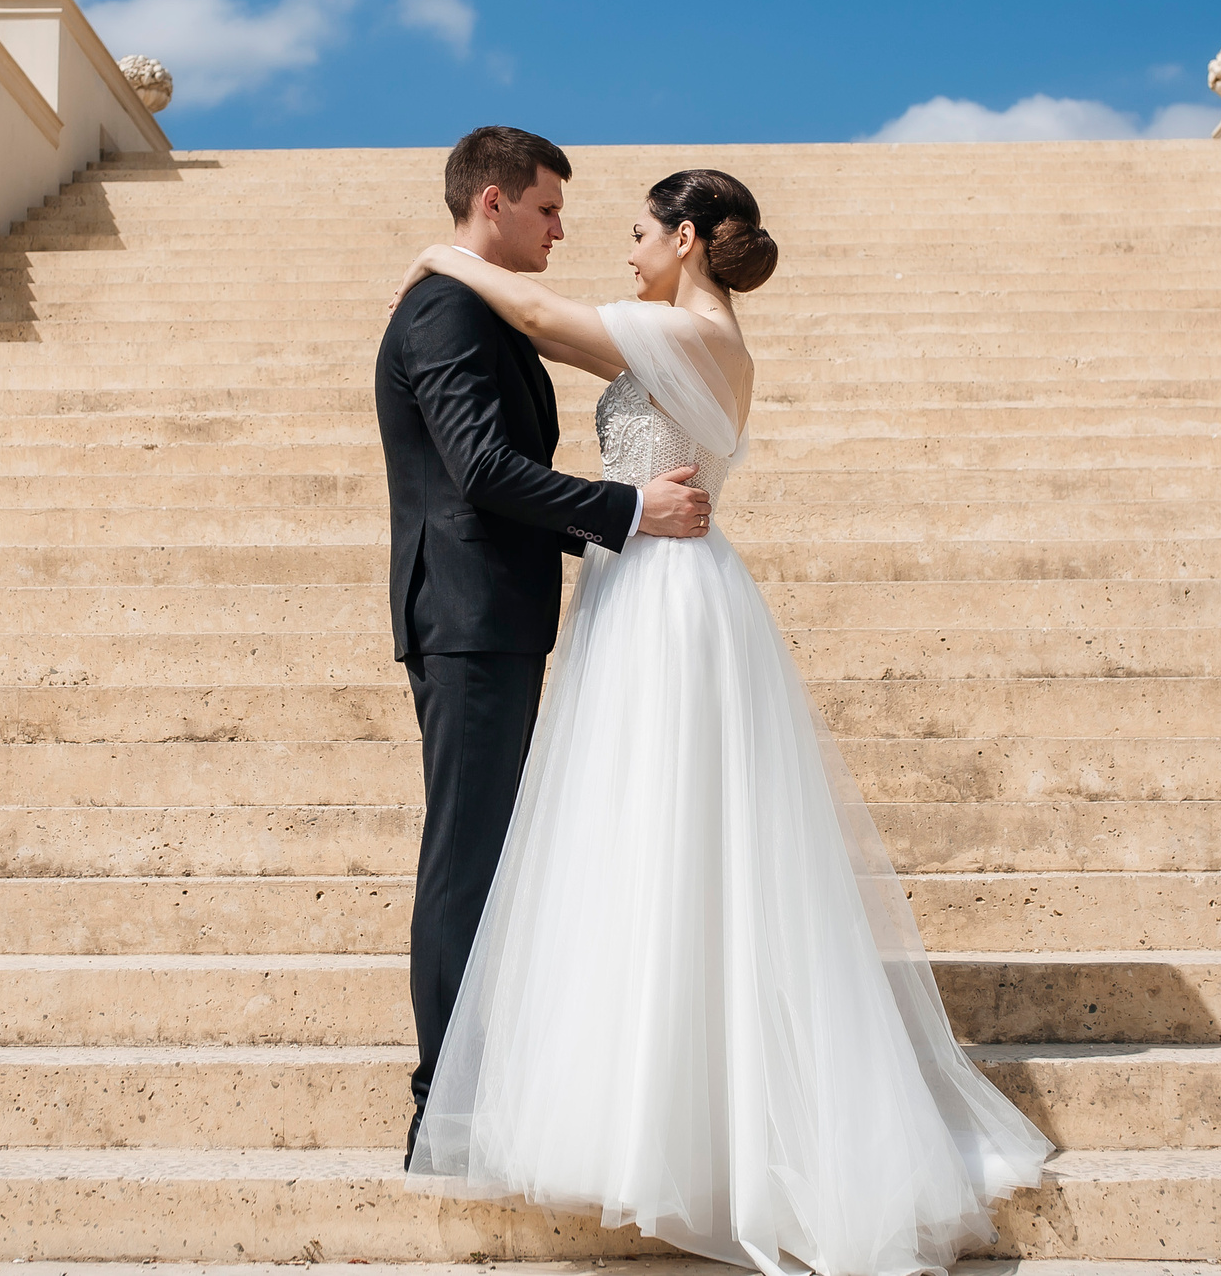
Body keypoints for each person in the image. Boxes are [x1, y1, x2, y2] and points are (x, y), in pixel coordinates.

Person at [390, 167, 1052, 1276]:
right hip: (645, 578)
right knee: (646, 837)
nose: (624, 249)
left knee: (667, 833)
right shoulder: (685, 337)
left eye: (640, 232)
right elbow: (551, 339)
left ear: (687, 239)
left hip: (666, 594)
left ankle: (686, 1128)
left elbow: (547, 318)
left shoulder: (685, 333)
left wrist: (445, 256)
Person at [373, 126, 715, 1166]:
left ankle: (481, 1086)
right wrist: (627, 511)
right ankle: (443, 1111)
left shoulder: (476, 307)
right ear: (491, 203)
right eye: (548, 209)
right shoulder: (444, 310)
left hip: (495, 617)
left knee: (487, 854)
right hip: (469, 621)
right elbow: (479, 468)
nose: (563, 229)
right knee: (467, 859)